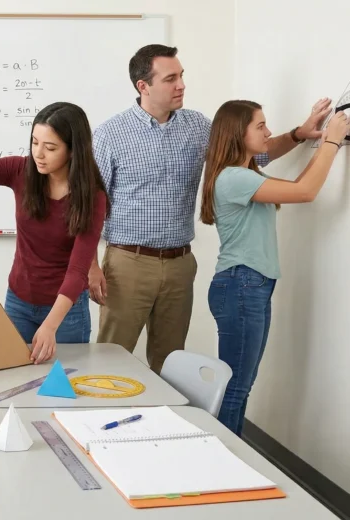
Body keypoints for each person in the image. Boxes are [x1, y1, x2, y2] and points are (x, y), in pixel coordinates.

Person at [87, 43, 332, 374]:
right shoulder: (110, 134)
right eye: (171, 78)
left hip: (179, 264)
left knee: (170, 363)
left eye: (182, 76)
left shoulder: (197, 126)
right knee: (112, 361)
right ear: (143, 86)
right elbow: (86, 204)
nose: (182, 85)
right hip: (128, 263)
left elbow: (255, 153)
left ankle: (164, 427)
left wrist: (299, 134)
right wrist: (89, 266)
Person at [200, 101, 349, 436]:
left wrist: (324, 141)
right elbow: (306, 192)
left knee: (241, 387)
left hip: (250, 285)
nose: (268, 132)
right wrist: (332, 141)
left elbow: (301, 183)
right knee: (236, 389)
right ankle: (223, 467)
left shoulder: (246, 174)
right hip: (241, 285)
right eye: (261, 126)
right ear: (239, 133)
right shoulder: (233, 178)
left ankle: (231, 466)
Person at [0, 102, 109, 364]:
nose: (39, 154)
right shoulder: (20, 171)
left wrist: (50, 325)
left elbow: (78, 271)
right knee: (12, 379)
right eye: (34, 142)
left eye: (50, 147)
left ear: (73, 150)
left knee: (63, 387)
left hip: (66, 313)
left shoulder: (93, 198)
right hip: (18, 304)